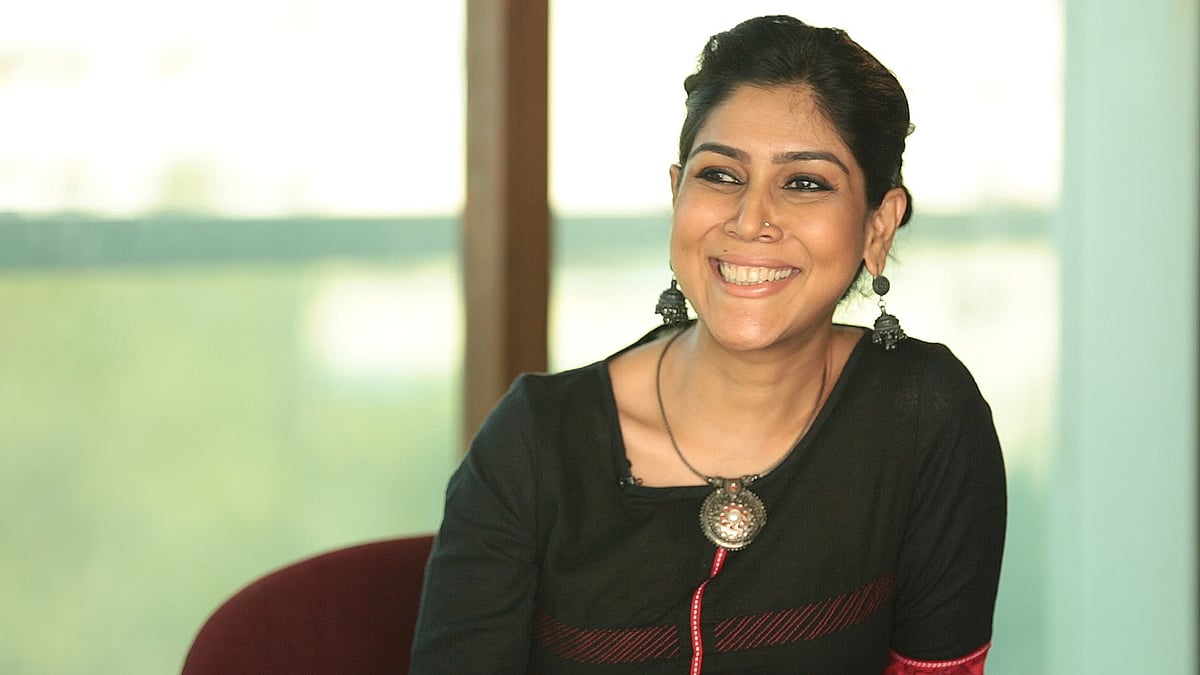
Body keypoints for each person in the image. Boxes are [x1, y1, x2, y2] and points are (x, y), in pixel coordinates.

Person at [411, 15, 1005, 674]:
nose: (751, 220)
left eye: (805, 183)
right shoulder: (533, 443)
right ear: (677, 195)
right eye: (720, 175)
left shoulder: (924, 415)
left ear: (878, 225)